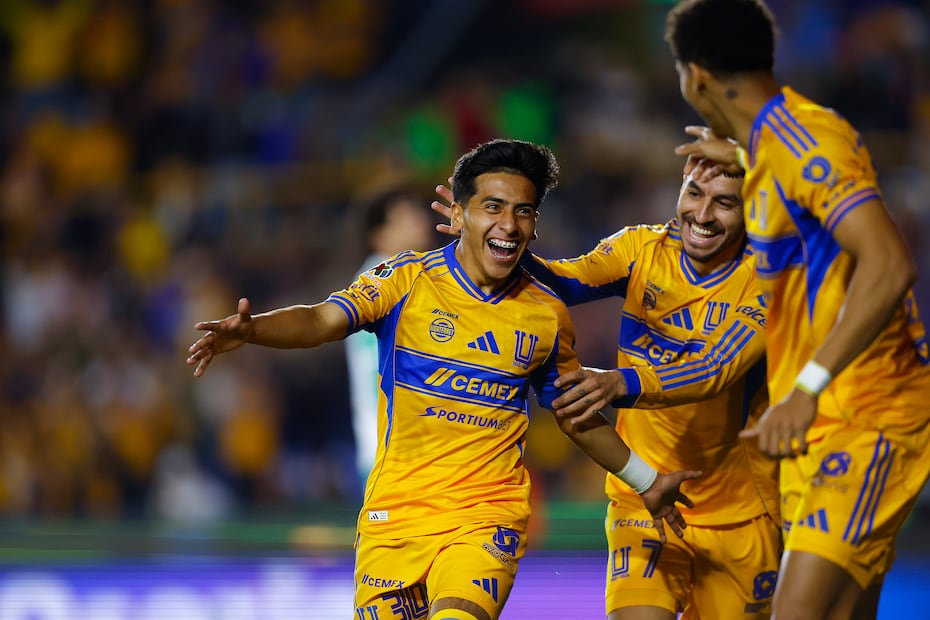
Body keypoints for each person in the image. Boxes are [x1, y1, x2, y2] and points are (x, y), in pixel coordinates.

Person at [187, 139, 700, 620]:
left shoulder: (545, 314)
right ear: (458, 215)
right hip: (396, 514)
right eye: (493, 207)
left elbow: (574, 415)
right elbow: (322, 319)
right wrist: (255, 330)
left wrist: (645, 480)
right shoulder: (406, 280)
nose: (510, 224)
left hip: (484, 516)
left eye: (524, 210)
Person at [665, 1, 930, 618]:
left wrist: (808, 386)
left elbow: (889, 264)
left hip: (867, 414)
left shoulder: (805, 139)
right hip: (822, 426)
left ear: (695, 75)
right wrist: (745, 158)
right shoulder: (772, 150)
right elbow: (801, 187)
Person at [433, 156, 781, 619]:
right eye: (694, 194)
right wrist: (491, 237)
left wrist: (620, 382)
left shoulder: (766, 280)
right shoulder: (640, 249)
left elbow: (714, 368)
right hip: (645, 501)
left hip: (741, 513)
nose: (702, 214)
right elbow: (563, 277)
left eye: (725, 203)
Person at [345, 186, 434, 487]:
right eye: (406, 216)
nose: (420, 220)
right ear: (379, 235)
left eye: (418, 212)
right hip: (395, 453)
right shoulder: (379, 281)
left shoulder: (408, 277)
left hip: (401, 452)